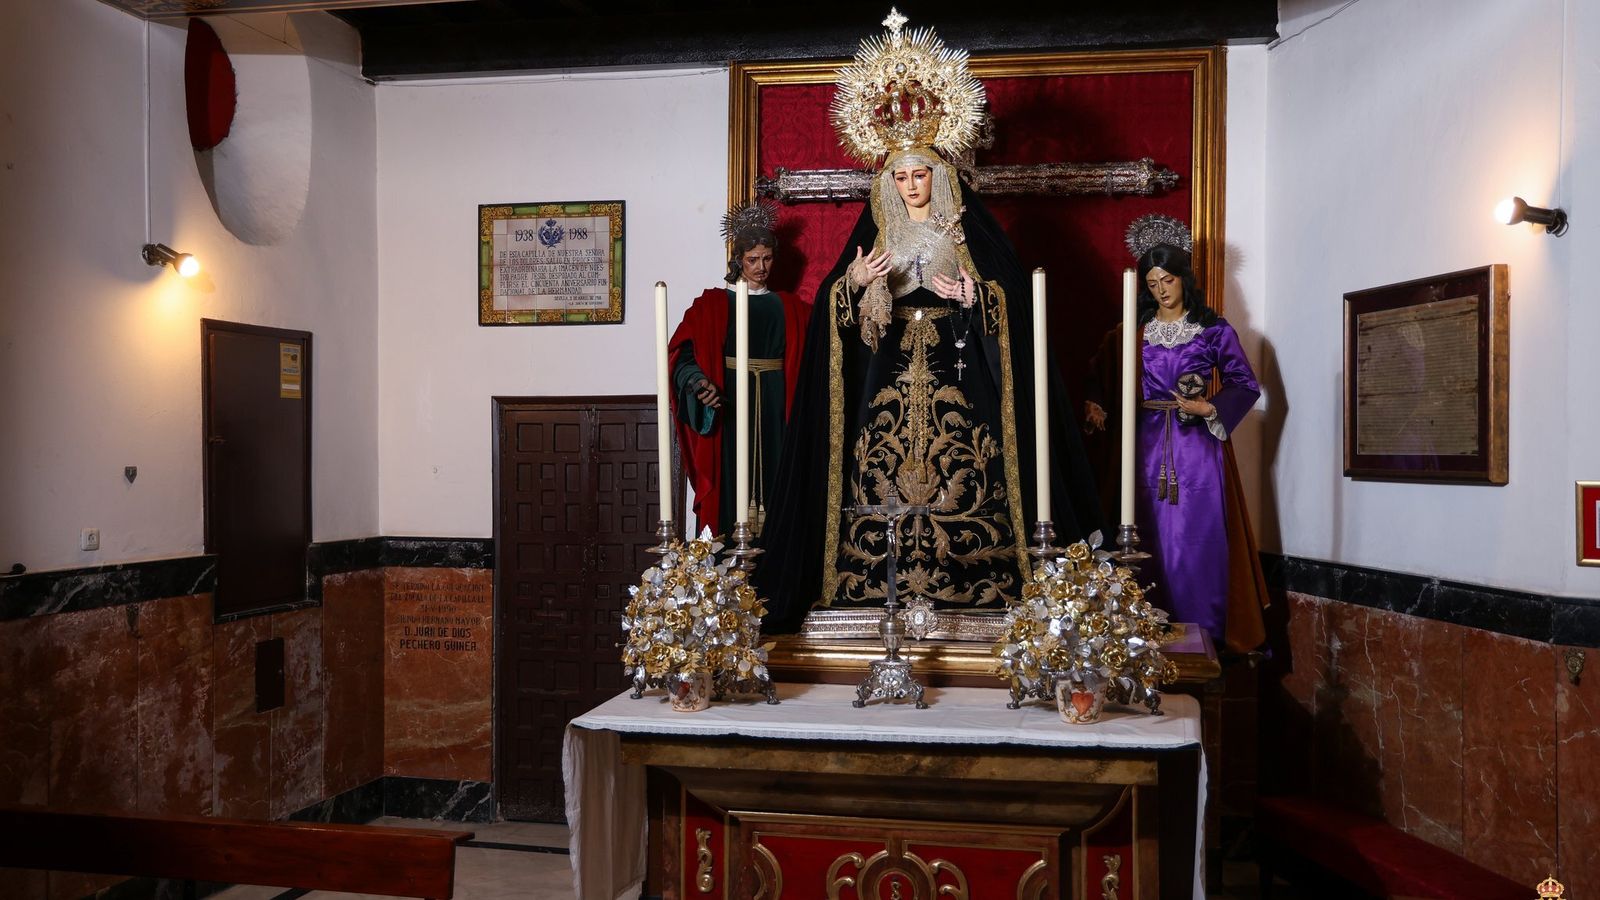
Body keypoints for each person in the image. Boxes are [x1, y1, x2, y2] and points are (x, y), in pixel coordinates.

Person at [757, 11, 1103, 632]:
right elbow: (838, 317)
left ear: (939, 175)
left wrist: (978, 294)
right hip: (884, 374)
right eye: (901, 175)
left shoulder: (971, 231)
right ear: (888, 179)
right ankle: (870, 588)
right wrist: (856, 286)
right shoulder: (876, 232)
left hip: (961, 368)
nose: (912, 184)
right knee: (875, 468)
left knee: (975, 463)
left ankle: (981, 583)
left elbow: (1015, 303)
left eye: (922, 173)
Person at [1083, 216, 1267, 649]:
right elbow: (1100, 369)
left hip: (1197, 447)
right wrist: (1093, 401)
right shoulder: (1134, 334)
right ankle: (1141, 628)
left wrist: (1210, 407)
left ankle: (1205, 629)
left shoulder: (1212, 330)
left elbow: (1246, 383)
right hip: (1144, 442)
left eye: (1167, 279)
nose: (1161, 289)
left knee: (1198, 535)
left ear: (1183, 279)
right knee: (1144, 531)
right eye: (1152, 282)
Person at [668, 203, 811, 536]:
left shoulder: (791, 308)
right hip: (729, 402)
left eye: (768, 258)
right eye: (752, 260)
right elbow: (681, 356)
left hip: (778, 407)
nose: (761, 267)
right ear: (737, 261)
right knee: (729, 477)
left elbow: (818, 354)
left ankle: (777, 564)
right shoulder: (712, 305)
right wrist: (698, 382)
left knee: (780, 478)